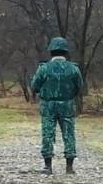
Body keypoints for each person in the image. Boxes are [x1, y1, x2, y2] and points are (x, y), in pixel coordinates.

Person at [31, 37, 83, 175]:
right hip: (67, 104)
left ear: (51, 51)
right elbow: (79, 87)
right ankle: (69, 167)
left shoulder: (44, 69)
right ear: (65, 52)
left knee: (48, 134)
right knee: (69, 134)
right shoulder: (73, 69)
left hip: (48, 104)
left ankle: (48, 166)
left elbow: (35, 86)